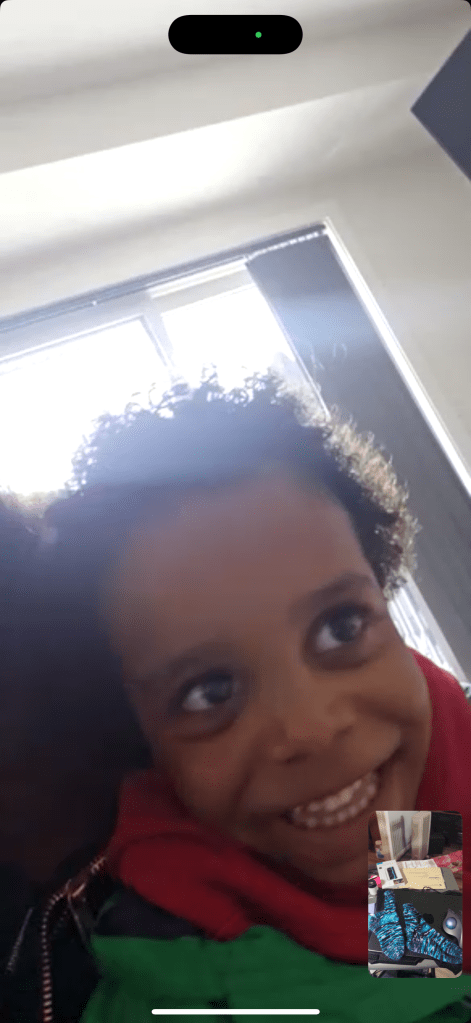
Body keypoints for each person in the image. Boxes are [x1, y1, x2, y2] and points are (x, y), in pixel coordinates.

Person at [3, 373, 471, 1023]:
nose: (311, 725)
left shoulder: (424, 746)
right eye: (209, 690)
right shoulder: (170, 976)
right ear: (140, 738)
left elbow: (420, 971)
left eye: (340, 624)